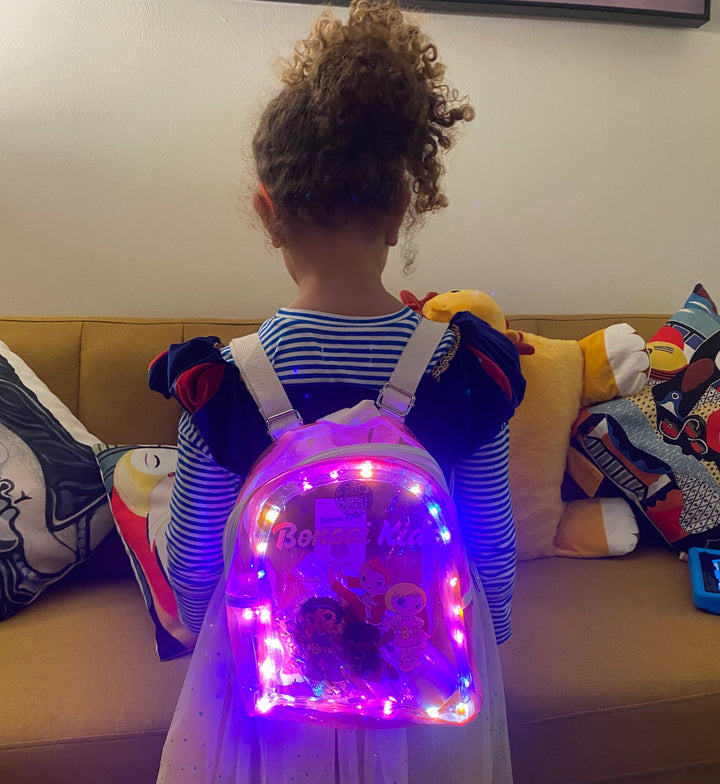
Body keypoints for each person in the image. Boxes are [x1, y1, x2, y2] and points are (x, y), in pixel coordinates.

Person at [149, 1, 525, 781]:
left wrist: (192, 627)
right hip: (423, 698)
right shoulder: (467, 374)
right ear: (400, 211)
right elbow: (491, 559)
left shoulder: (221, 385)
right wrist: (489, 638)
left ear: (268, 213)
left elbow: (192, 575)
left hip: (270, 702)